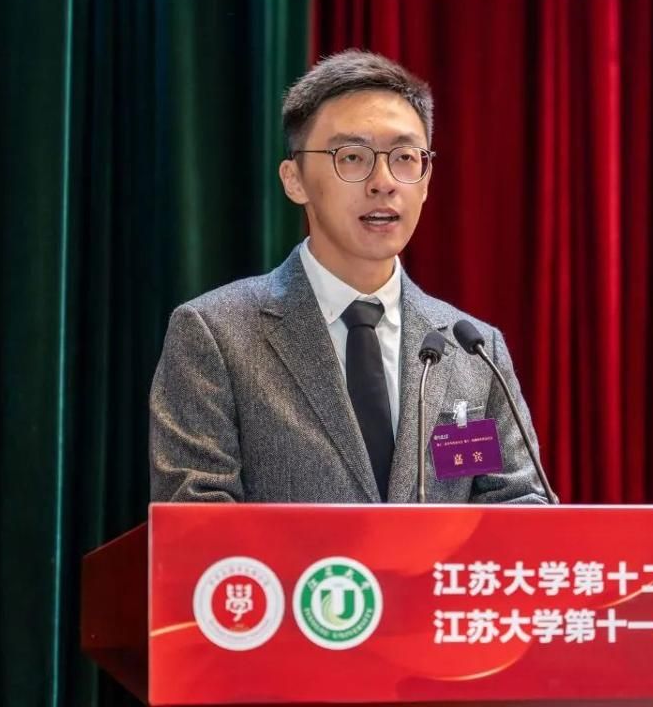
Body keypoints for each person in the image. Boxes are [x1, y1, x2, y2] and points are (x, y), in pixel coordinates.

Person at [149, 49, 548, 505]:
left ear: (426, 179)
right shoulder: (216, 334)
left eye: (405, 157)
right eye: (353, 157)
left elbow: (517, 507)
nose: (383, 181)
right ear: (294, 179)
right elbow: (197, 518)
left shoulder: (473, 349)